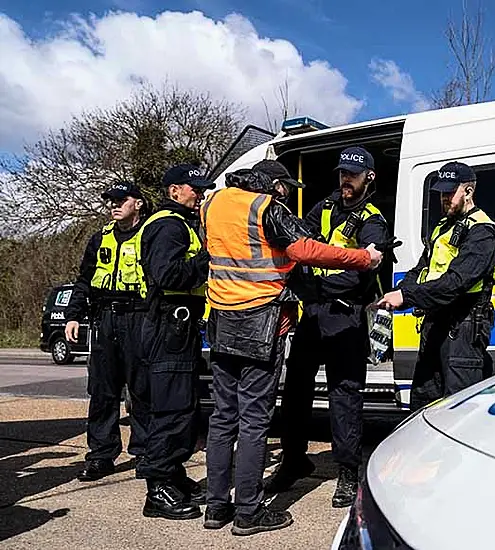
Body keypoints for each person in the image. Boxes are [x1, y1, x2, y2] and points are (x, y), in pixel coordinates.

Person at [200, 160, 382, 534]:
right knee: (253, 421)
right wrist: (364, 257)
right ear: (270, 182)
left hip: (220, 322)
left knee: (221, 418)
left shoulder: (211, 204)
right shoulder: (267, 208)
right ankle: (248, 512)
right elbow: (304, 249)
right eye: (283, 185)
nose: (286, 192)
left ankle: (216, 508)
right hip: (259, 324)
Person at [264, 147, 391, 508]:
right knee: (296, 392)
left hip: (345, 316)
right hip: (313, 312)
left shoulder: (373, 219)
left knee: (344, 396)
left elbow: (361, 275)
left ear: (369, 177)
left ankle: (348, 472)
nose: (344, 180)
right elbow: (299, 243)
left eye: (352, 174)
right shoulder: (325, 207)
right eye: (341, 174)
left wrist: (311, 285)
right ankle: (292, 461)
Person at [375, 161, 495, 411]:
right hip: (435, 325)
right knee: (423, 404)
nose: (444, 199)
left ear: (468, 191)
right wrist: (402, 290)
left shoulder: (484, 231)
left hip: (463, 327)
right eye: (441, 193)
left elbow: (456, 282)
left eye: (449, 193)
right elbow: (421, 270)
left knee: (459, 410)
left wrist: (407, 295)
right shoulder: (442, 228)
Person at [135, 163, 213, 520]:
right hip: (168, 325)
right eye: (194, 188)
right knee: (172, 409)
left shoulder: (180, 223)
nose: (199, 193)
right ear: (174, 191)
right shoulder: (169, 225)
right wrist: (206, 260)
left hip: (176, 327)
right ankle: (158, 489)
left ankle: (173, 475)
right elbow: (167, 273)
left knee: (182, 406)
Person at [64, 181, 152, 482]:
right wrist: (73, 315)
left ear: (137, 204)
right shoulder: (99, 238)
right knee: (102, 391)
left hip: (138, 318)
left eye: (121, 199)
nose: (114, 205)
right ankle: (101, 455)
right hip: (104, 319)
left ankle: (143, 453)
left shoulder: (149, 235)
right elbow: (85, 278)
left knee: (141, 390)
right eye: (111, 200)